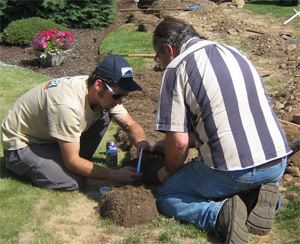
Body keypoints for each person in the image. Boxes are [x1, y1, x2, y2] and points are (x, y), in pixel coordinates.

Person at [152, 18, 291, 243]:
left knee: (168, 194)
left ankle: (218, 215)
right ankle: (260, 197)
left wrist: (168, 173)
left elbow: (177, 142)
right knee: (242, 179)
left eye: (159, 57)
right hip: (276, 162)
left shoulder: (177, 67)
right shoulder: (234, 52)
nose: (161, 64)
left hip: (232, 171)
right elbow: (226, 122)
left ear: (168, 49)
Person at [1, 54, 149, 191]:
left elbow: (129, 124)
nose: (120, 101)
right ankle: (18, 163)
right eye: (117, 95)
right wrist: (112, 175)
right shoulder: (67, 105)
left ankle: (67, 155)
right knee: (72, 181)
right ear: (98, 85)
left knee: (105, 114)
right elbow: (71, 161)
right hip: (23, 143)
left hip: (49, 133)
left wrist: (142, 146)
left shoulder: (99, 92)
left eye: (124, 96)